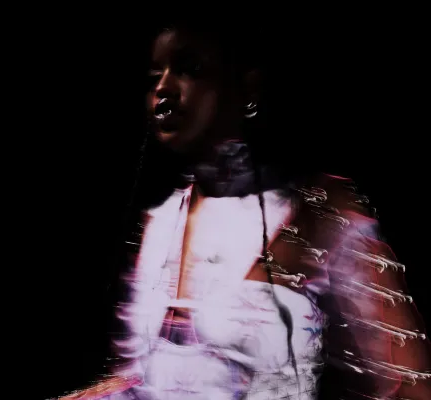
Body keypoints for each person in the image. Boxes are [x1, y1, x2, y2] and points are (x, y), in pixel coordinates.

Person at [58, 22, 431, 400]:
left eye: (189, 69)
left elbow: (409, 386)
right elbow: (145, 381)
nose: (163, 89)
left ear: (247, 88)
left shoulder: (321, 213)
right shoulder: (160, 224)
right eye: (155, 76)